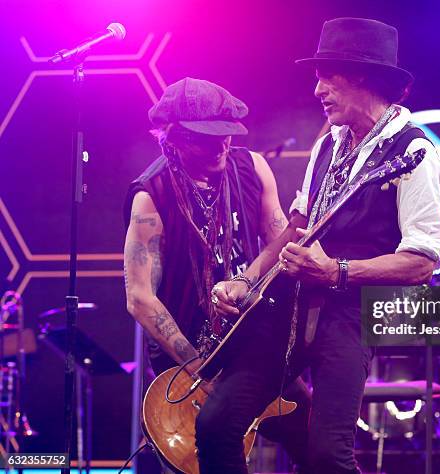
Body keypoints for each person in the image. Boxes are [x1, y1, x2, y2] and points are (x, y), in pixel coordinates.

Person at [208, 17, 440, 474]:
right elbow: (299, 221)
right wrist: (247, 277)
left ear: (359, 75)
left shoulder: (413, 152)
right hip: (290, 305)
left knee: (326, 458)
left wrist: (336, 271)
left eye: (326, 76)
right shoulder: (328, 146)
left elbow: (421, 262)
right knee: (217, 422)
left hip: (350, 319)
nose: (317, 89)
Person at [123, 77, 310, 471]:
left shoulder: (253, 168)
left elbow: (279, 251)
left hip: (251, 346)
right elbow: (140, 297)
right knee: (213, 454)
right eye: (205, 139)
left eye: (225, 135)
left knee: (314, 435)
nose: (221, 145)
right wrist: (197, 367)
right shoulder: (151, 194)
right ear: (172, 138)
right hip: (188, 360)